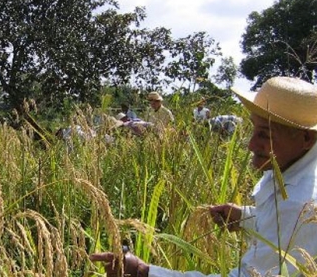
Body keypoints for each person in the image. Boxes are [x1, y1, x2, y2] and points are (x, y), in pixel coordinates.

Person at [90, 76, 317, 276]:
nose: (250, 144)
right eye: (253, 130)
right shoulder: (288, 166)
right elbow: (278, 224)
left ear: (306, 139)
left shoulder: (300, 205)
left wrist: (144, 272)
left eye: (264, 135)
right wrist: (245, 217)